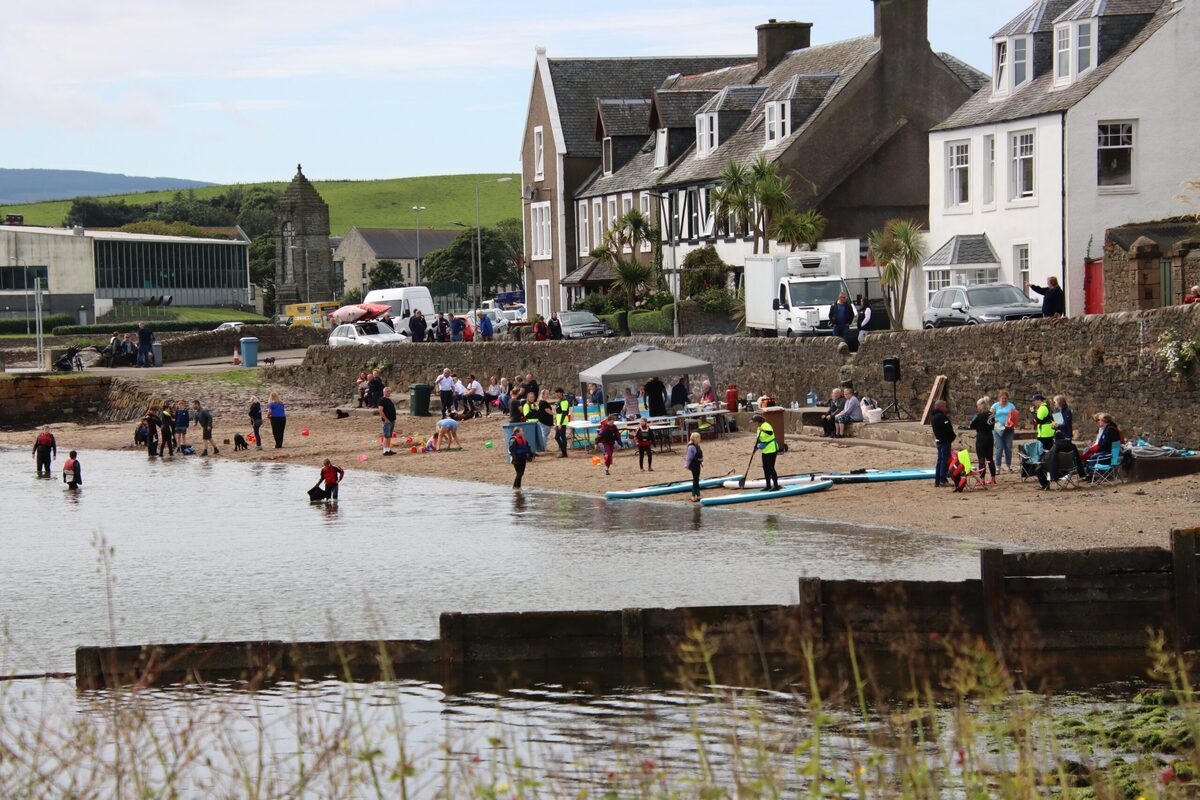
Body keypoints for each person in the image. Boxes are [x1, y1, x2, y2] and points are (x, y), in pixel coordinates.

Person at [966, 397, 996, 484]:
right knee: (990, 458)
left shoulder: (978, 416)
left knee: (981, 459)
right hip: (990, 437)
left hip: (981, 438)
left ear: (980, 406)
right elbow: (992, 426)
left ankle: (982, 479)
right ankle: (993, 479)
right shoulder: (991, 414)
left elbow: (971, 425)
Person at [990, 390, 1018, 473]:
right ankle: (998, 467)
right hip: (998, 430)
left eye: (1006, 398)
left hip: (1008, 429)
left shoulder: (1011, 406)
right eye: (1003, 398)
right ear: (999, 398)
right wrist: (994, 419)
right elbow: (990, 416)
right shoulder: (995, 406)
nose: (1004, 400)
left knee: (1008, 448)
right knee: (999, 448)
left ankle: (1008, 466)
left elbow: (1015, 416)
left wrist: (1012, 421)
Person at [931, 399, 956, 488]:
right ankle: (942, 480)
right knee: (944, 461)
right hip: (944, 441)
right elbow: (948, 429)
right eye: (944, 406)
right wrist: (952, 437)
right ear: (941, 407)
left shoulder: (933, 417)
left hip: (939, 441)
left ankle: (937, 480)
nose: (946, 408)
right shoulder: (941, 417)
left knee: (940, 461)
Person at [752, 414, 780, 491]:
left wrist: (763, 430)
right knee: (765, 468)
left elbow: (770, 433)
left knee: (771, 467)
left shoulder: (766, 425)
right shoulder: (758, 428)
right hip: (765, 450)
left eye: (754, 422)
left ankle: (776, 486)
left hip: (772, 448)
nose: (754, 424)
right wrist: (755, 447)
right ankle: (768, 485)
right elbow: (759, 439)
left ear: (758, 422)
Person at [379, 386, 397, 455]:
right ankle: (385, 450)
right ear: (384, 392)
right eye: (387, 391)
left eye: (389, 391)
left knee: (389, 436)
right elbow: (380, 410)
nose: (388, 393)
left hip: (392, 420)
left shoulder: (389, 400)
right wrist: (386, 419)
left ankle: (388, 449)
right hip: (387, 421)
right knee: (386, 436)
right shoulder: (382, 400)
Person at [553, 388, 571, 458]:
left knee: (562, 437)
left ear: (562, 393)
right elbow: (557, 413)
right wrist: (556, 423)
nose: (557, 394)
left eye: (558, 392)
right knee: (557, 437)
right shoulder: (559, 401)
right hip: (559, 421)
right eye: (556, 392)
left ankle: (564, 453)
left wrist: (560, 423)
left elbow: (564, 413)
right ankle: (563, 451)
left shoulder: (564, 401)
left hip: (562, 422)